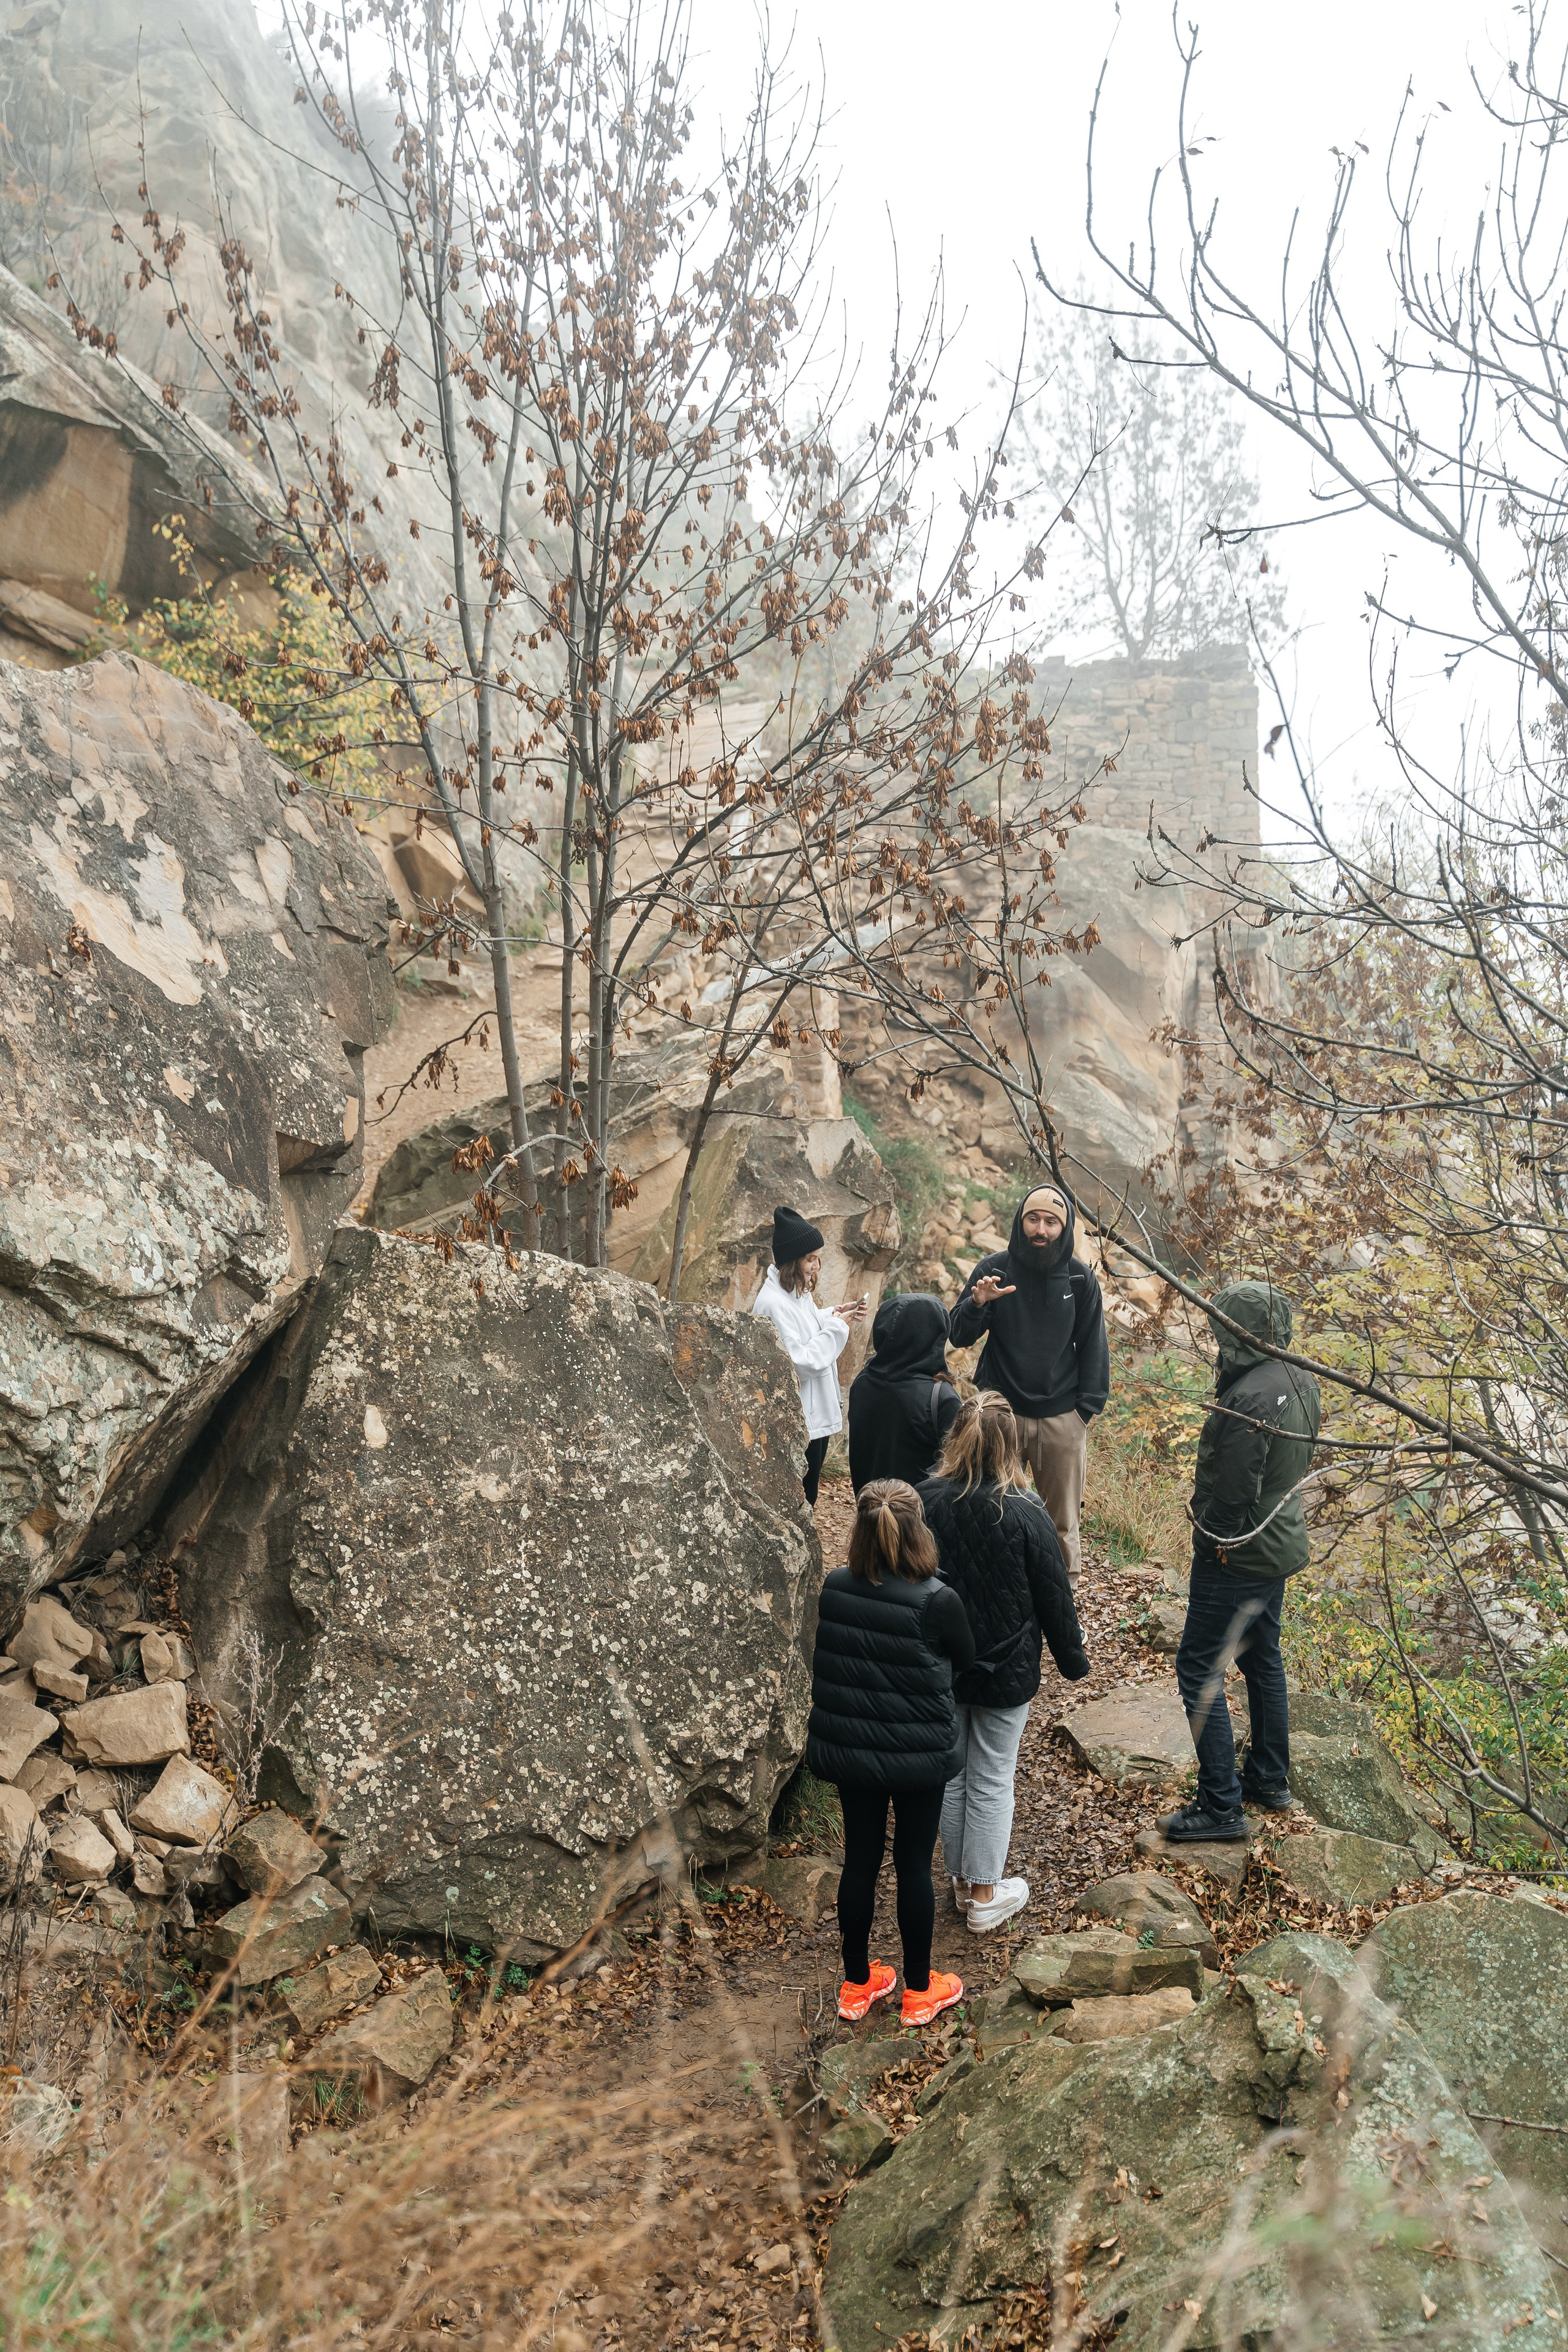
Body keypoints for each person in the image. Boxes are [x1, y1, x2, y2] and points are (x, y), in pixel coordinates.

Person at [919, 1393, 1090, 1931]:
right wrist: (1073, 1660)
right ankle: (985, 1896)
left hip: (940, 1665)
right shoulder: (1025, 1511)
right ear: (1012, 1445)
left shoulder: (923, 1500)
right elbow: (1053, 1596)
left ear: (957, 1439)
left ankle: (960, 1881)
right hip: (1006, 1668)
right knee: (992, 1775)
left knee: (953, 1774)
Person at [806, 1479, 973, 2027]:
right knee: (912, 1865)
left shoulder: (834, 1586)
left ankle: (857, 1984)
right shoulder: (937, 1600)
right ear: (918, 1529)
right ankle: (920, 1991)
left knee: (859, 1859)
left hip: (855, 1753)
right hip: (919, 1754)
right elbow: (964, 1661)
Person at [1159, 1281, 1321, 1844]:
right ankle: (1269, 1779)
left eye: (1220, 1325)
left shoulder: (1251, 1396)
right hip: (1276, 1546)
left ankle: (1222, 1805)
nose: (1214, 1334)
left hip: (1240, 1554)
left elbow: (1233, 1492)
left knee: (1200, 1668)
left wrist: (1215, 1544)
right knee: (1262, 1658)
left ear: (1238, 1331)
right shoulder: (1300, 1378)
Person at [947, 1184, 1110, 1583]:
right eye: (1033, 1219)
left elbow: (1093, 1347)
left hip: (1061, 1421)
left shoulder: (1079, 1280)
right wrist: (977, 1303)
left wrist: (1083, 1413)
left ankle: (1063, 1606)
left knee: (1062, 1521)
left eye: (1051, 1222)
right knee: (991, 1509)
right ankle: (993, 1594)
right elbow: (958, 1334)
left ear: (1065, 1226)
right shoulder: (994, 1270)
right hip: (1000, 1417)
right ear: (1021, 1222)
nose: (1041, 1229)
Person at [752, 1205, 867, 1505]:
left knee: (808, 1493)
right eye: (811, 1259)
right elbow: (801, 1361)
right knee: (803, 1498)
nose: (817, 1266)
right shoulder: (774, 1304)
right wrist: (838, 1328)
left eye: (818, 1258)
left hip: (812, 1416)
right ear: (793, 1260)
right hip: (801, 1419)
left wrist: (836, 1313)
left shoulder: (794, 1291)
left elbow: (809, 1325)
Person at [846, 1291, 962, 1494]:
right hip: (917, 1517)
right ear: (935, 1334)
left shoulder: (864, 1382)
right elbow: (957, 1470)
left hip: (870, 1508)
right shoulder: (941, 1398)